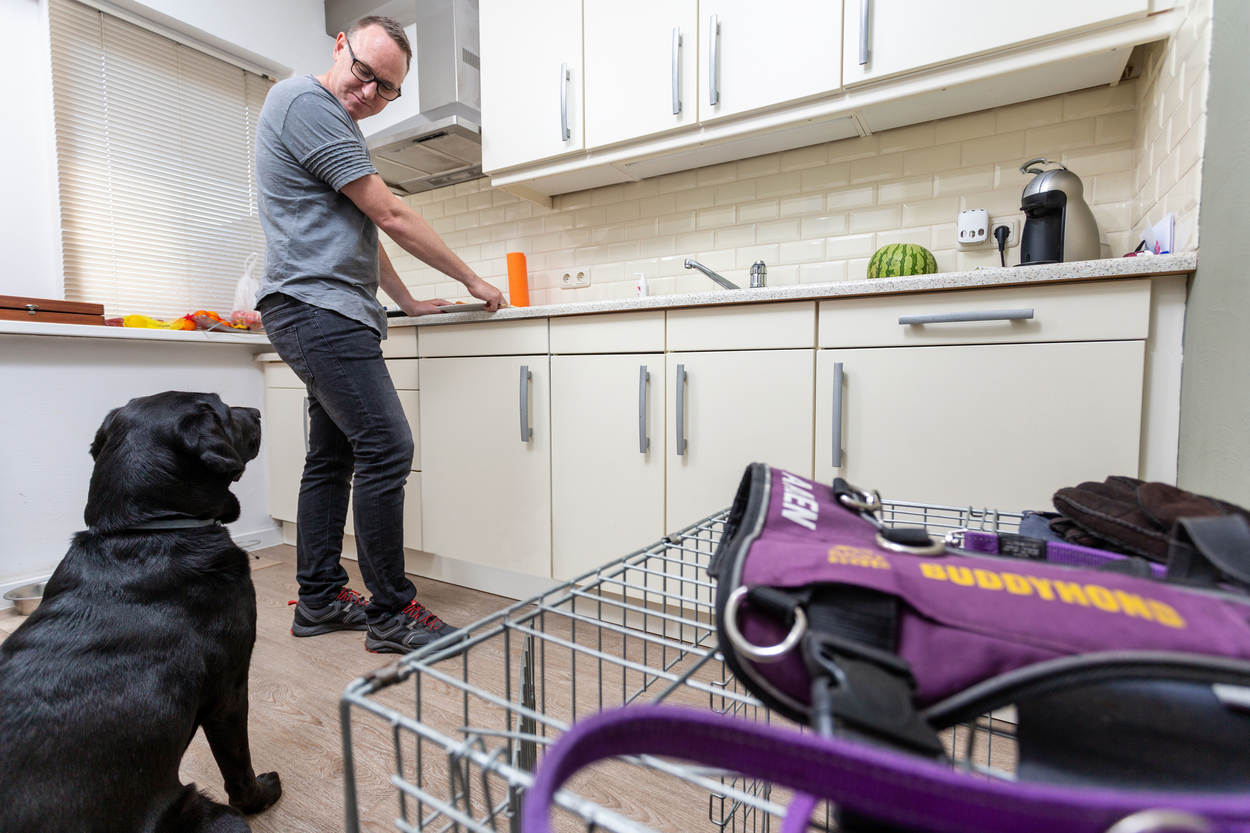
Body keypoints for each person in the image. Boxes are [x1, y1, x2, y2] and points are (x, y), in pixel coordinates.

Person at [253, 16, 503, 654]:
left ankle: (319, 599)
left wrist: (407, 300)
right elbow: (390, 213)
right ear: (340, 46)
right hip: (318, 309)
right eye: (364, 72)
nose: (369, 92)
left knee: (332, 458)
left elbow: (363, 230)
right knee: (387, 448)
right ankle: (392, 613)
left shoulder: (333, 122)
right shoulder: (306, 102)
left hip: (322, 307)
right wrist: (472, 278)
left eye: (386, 87)